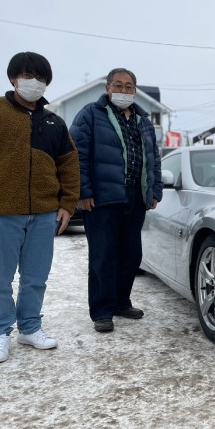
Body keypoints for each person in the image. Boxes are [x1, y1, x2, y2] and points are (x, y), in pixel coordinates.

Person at [0, 52, 80, 363]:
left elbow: (69, 164)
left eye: (40, 77)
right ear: (13, 78)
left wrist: (66, 203)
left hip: (44, 213)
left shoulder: (53, 122)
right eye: (27, 75)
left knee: (36, 276)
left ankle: (30, 327)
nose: (34, 82)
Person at [70, 68, 162, 333]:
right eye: (118, 85)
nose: (124, 91)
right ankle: (102, 310)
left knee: (131, 254)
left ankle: (121, 302)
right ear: (108, 88)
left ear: (135, 90)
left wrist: (153, 190)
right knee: (103, 255)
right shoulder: (90, 114)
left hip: (134, 196)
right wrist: (83, 192)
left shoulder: (143, 120)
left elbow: (152, 158)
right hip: (102, 198)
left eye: (129, 86)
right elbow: (78, 154)